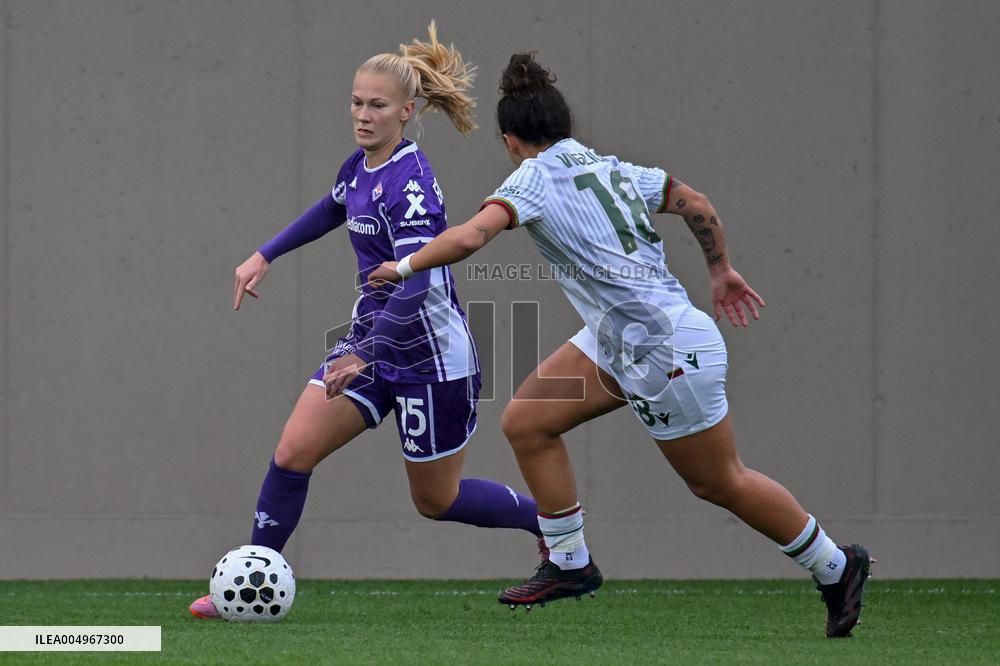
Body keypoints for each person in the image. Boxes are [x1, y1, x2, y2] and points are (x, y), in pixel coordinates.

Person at [367, 52, 873, 637]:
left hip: (664, 352)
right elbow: (696, 205)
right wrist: (721, 269)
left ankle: (836, 566)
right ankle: (570, 562)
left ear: (510, 139)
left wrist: (404, 264)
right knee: (528, 422)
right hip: (623, 337)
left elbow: (471, 236)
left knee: (719, 481)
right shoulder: (610, 166)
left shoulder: (528, 179)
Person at [189, 25, 543, 620]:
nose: (363, 114)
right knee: (293, 450)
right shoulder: (360, 166)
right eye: (356, 102)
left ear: (407, 111)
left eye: (377, 105)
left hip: (430, 355)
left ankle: (548, 520)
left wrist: (365, 355)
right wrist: (264, 254)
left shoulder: (411, 185)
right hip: (372, 341)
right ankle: (245, 589)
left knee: (437, 500)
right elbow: (332, 205)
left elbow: (421, 281)